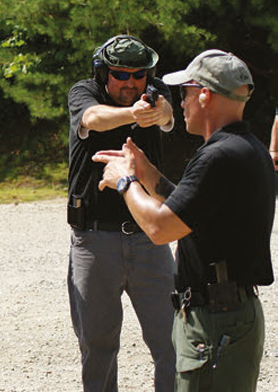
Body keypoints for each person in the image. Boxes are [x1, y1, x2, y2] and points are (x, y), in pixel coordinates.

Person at [93, 49, 274, 392]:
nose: (181, 103)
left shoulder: (217, 156)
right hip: (228, 317)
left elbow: (161, 228)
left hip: (215, 322)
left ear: (204, 95)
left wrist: (124, 181)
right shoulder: (246, 148)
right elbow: (194, 211)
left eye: (185, 93)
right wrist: (147, 173)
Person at [66, 35, 176, 392]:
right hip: (94, 237)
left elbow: (166, 113)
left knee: (172, 342)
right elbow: (93, 119)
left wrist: (159, 111)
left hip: (149, 236)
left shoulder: (156, 92)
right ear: (102, 73)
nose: (131, 83)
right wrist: (134, 114)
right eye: (120, 74)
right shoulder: (84, 92)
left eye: (139, 75)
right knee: (97, 349)